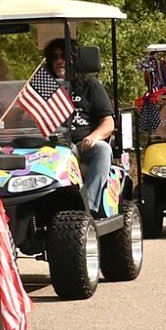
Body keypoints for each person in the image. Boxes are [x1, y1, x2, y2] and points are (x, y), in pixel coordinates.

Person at [43, 37, 117, 216]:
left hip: (82, 145)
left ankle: (88, 208)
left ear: (75, 60)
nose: (59, 61)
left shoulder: (90, 85)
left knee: (103, 149)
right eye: (54, 57)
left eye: (64, 56)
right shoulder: (44, 87)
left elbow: (109, 122)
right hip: (51, 146)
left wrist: (94, 137)